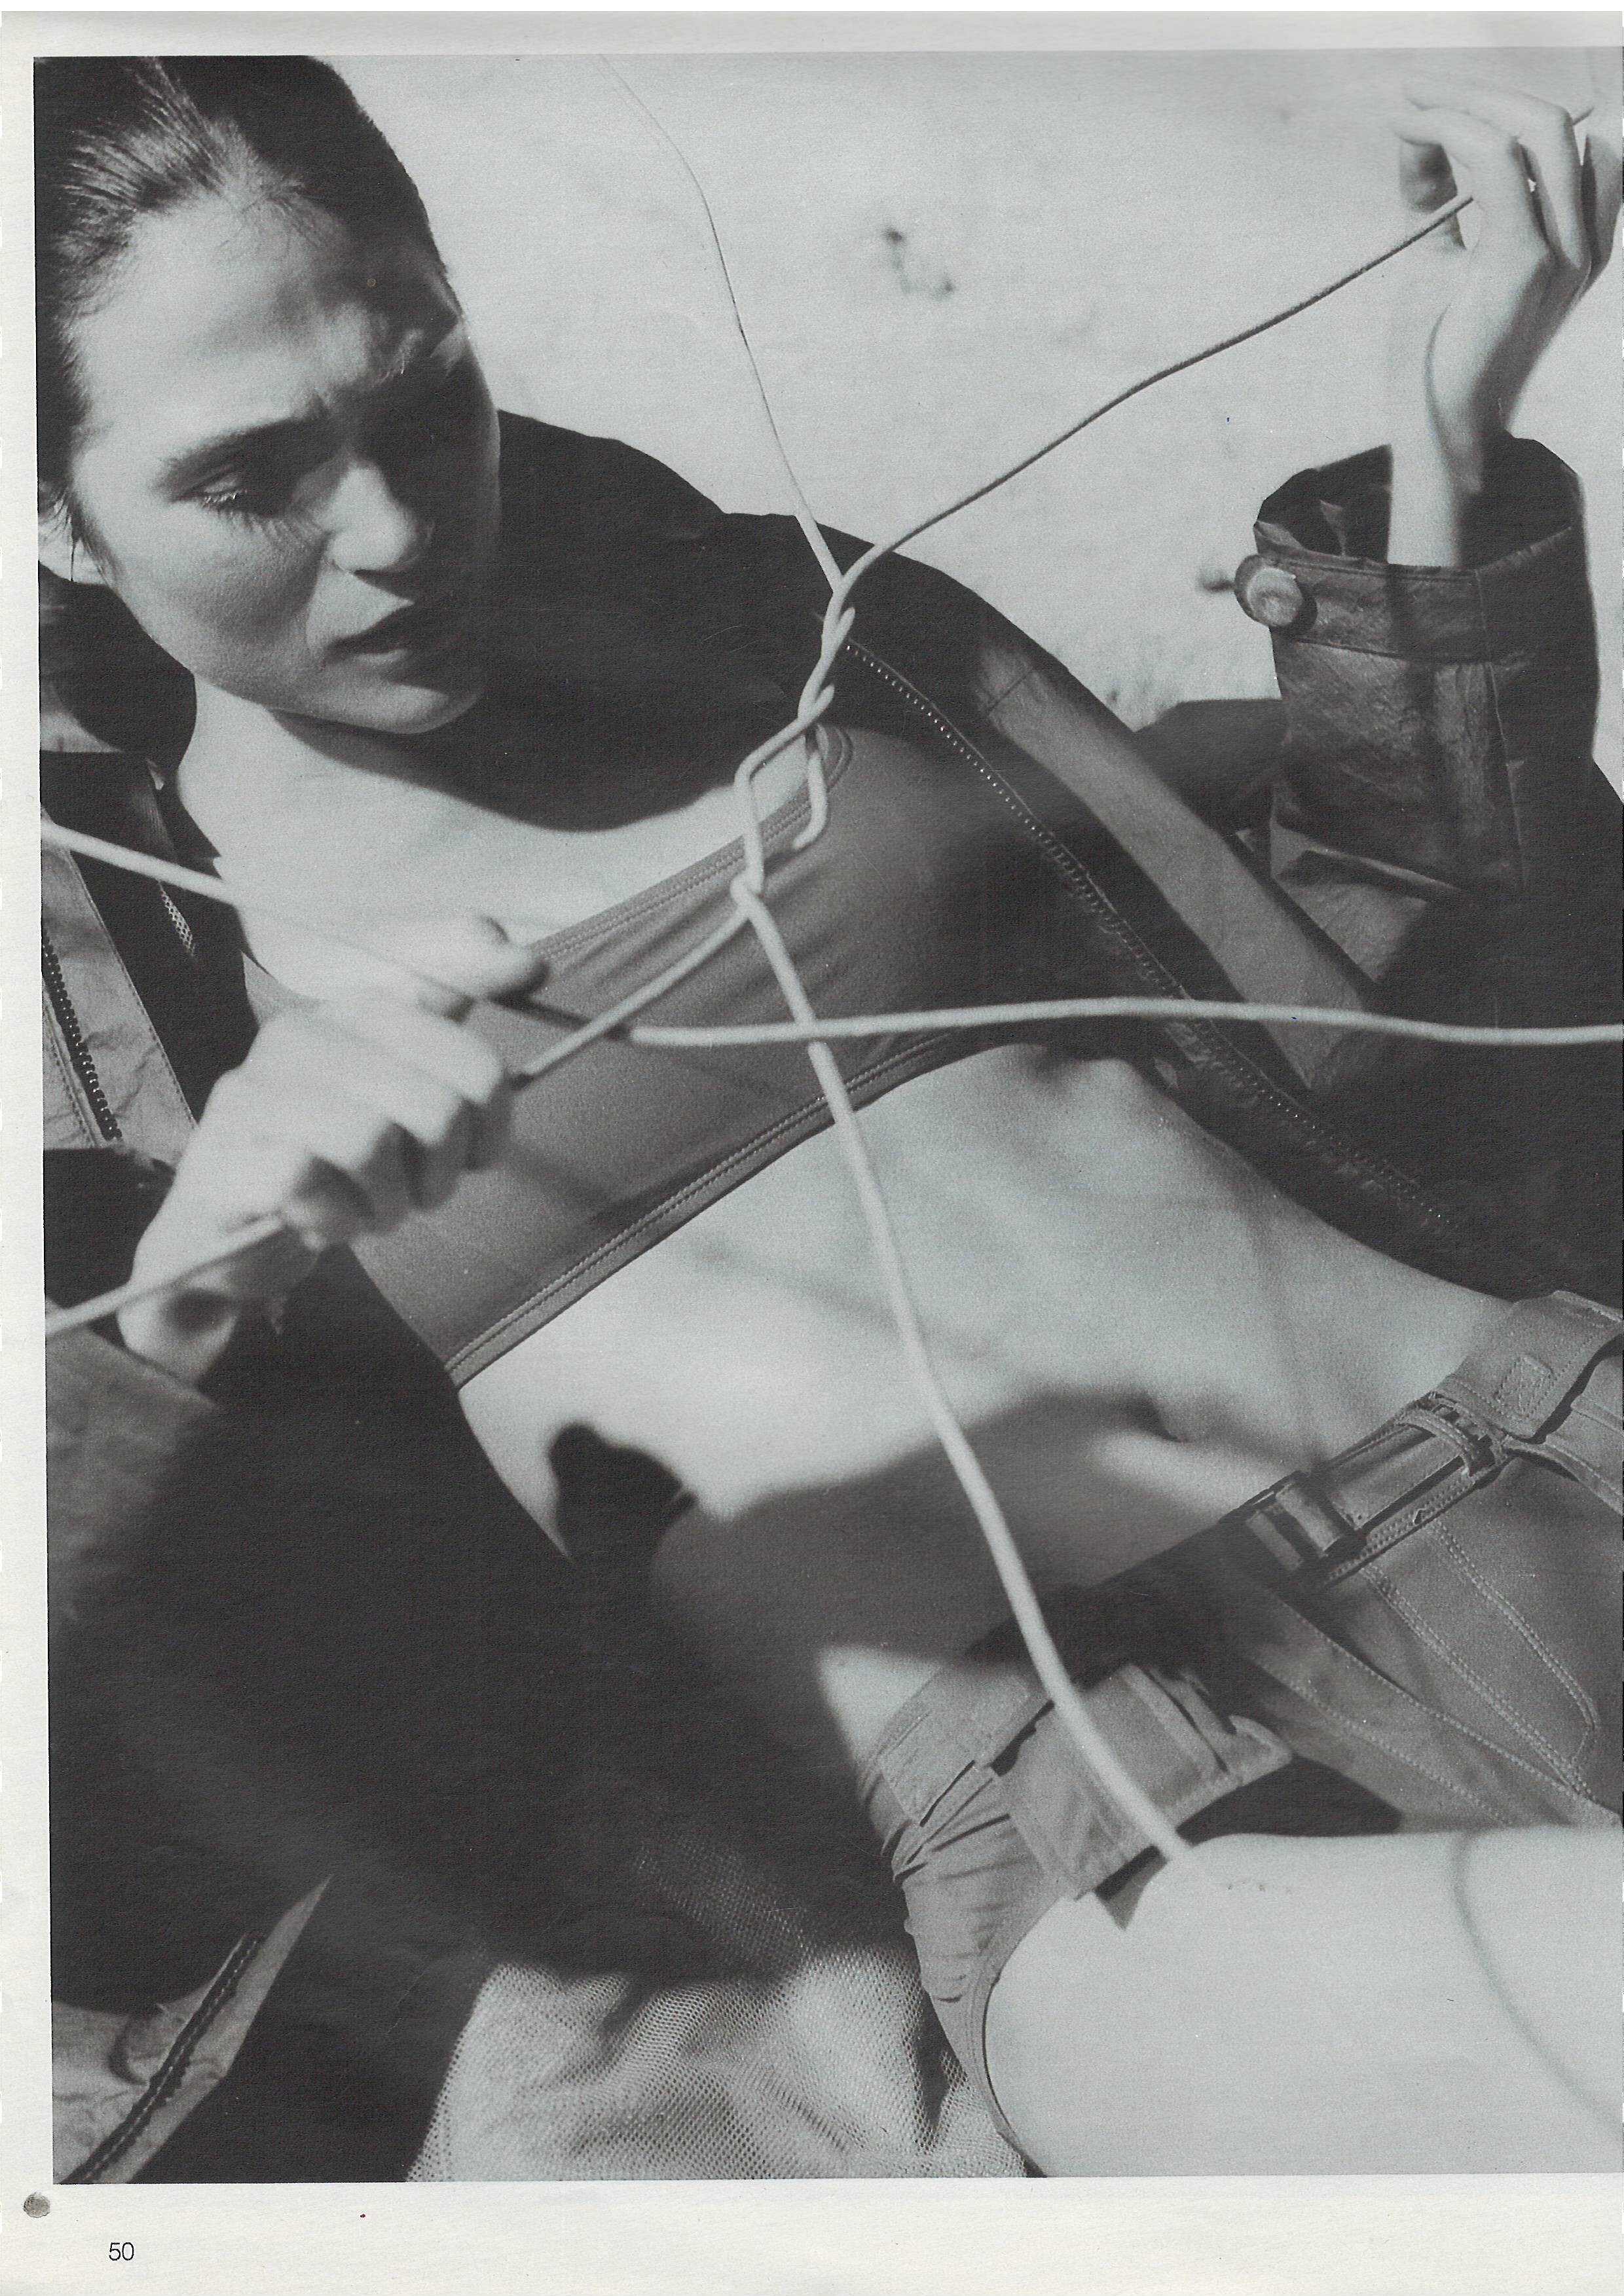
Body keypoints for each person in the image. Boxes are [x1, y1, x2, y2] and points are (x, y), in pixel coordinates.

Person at [37, 56, 1620, 2176]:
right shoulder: (104, 999)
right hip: (1114, 1811)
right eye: (252, 478)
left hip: (1547, 1432)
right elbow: (102, 1830)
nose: (398, 527)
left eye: (425, 397)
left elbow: (1390, 1044)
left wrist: (1444, 453)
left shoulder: (797, 623)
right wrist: (178, 1310)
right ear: (52, 513)